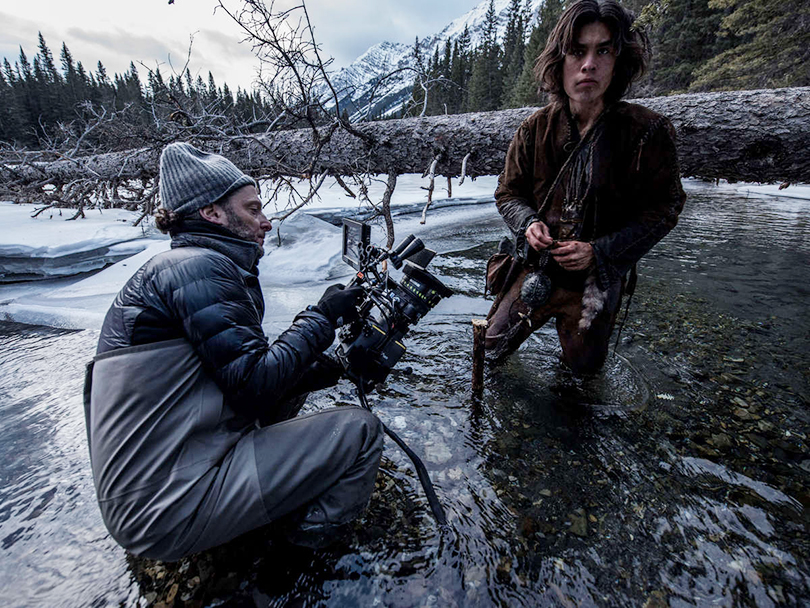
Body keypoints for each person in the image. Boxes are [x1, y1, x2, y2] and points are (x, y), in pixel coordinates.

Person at [83, 142, 384, 561]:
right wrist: (322, 317)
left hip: (154, 489)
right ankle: (311, 556)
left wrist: (324, 368)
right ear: (212, 213)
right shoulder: (198, 268)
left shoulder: (184, 265)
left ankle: (256, 515)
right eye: (253, 209)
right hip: (163, 511)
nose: (266, 221)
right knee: (360, 431)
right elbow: (254, 386)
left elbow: (231, 378)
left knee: (292, 389)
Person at [485, 0, 686, 374]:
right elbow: (508, 193)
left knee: (581, 382)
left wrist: (600, 251)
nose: (589, 64)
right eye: (577, 51)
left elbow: (665, 208)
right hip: (536, 270)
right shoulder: (534, 129)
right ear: (559, 62)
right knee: (486, 353)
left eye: (603, 50)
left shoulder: (647, 132)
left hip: (596, 283)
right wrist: (528, 223)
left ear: (618, 60)